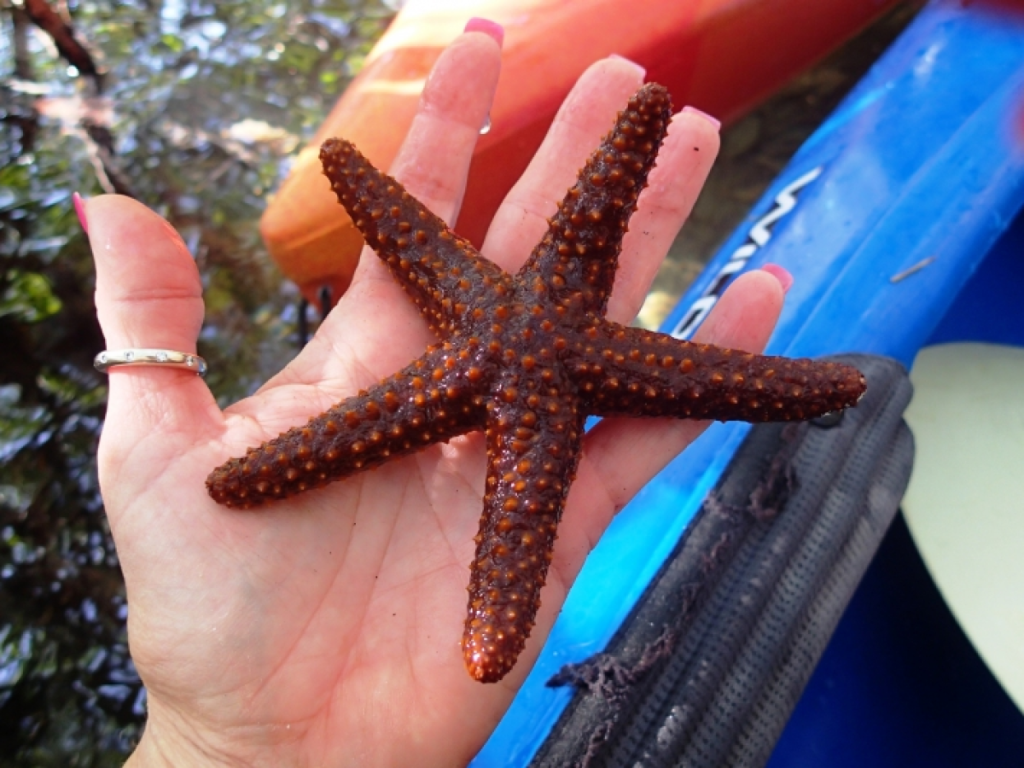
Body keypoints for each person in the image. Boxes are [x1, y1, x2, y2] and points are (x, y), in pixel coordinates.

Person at [83, 19, 789, 768]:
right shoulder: (499, 327)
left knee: (725, 376)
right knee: (717, 380)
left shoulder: (482, 316)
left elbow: (696, 369)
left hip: (502, 362)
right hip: (514, 372)